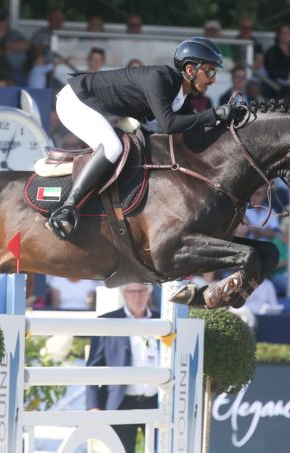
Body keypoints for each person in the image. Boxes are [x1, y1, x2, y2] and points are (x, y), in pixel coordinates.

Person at [47, 37, 235, 239]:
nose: (213, 79)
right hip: (76, 101)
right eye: (210, 72)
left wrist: (228, 123)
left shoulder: (182, 99)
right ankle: (67, 208)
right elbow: (169, 124)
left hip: (100, 109)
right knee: (112, 147)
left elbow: (193, 132)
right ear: (190, 70)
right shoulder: (160, 78)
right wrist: (214, 114)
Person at [86, 282, 159, 453]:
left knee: (162, 448)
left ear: (148, 293)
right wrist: (93, 406)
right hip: (122, 401)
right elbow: (93, 367)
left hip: (157, 401)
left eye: (141, 291)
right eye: (132, 291)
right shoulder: (107, 321)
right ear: (123, 293)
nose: (137, 296)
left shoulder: (163, 319)